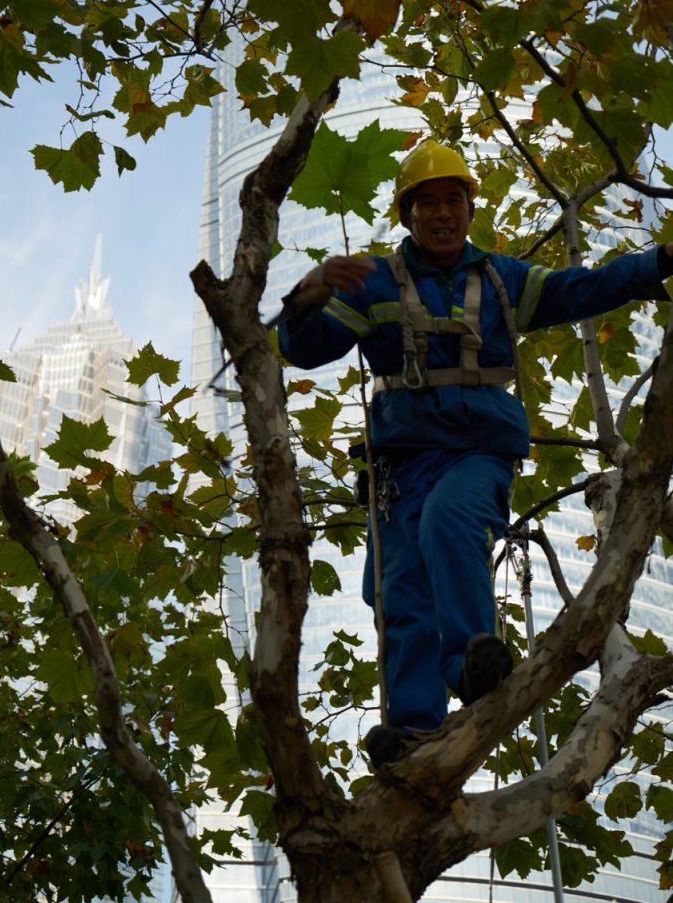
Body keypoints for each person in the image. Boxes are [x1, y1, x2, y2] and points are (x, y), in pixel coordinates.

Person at [277, 140, 673, 767]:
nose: (441, 214)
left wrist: (660, 263)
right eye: (427, 203)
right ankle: (413, 731)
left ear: (468, 208)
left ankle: (471, 660)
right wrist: (306, 296)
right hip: (400, 466)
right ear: (408, 214)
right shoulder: (374, 281)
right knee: (401, 586)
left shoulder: (501, 278)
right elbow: (302, 350)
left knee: (452, 521)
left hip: (476, 452)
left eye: (453, 201)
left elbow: (583, 288)